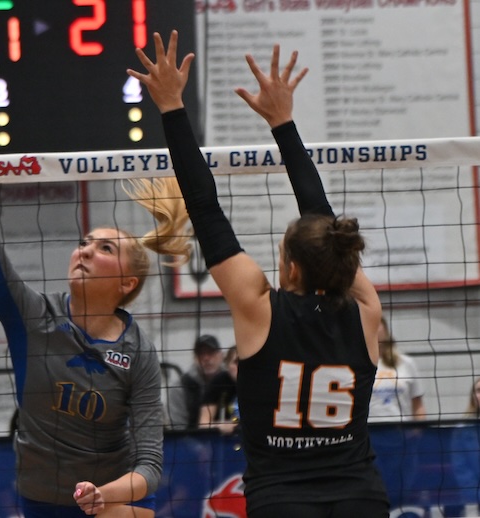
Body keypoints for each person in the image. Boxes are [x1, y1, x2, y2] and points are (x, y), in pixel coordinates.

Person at [129, 33, 389, 517]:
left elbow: (205, 209)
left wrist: (171, 107)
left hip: (283, 500)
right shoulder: (366, 311)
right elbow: (323, 226)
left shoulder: (259, 309)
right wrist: (284, 124)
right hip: (361, 496)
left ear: (289, 266)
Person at [0, 109, 192, 517]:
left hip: (113, 501)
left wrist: (105, 494)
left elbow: (150, 468)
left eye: (104, 248)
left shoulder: (139, 353)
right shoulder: (33, 316)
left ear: (127, 283)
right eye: (85, 242)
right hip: (41, 499)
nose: (84, 250)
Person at [369, 317, 426, 422]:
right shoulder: (358, 365)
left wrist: (417, 430)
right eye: (369, 325)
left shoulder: (405, 363)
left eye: (377, 324)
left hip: (401, 431)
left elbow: (418, 405)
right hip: (369, 431)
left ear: (385, 330)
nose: (374, 329)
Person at [167, 334, 225, 431]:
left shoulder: (232, 382)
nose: (206, 358)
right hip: (190, 443)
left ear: (221, 355)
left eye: (211, 352)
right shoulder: (179, 387)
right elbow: (178, 430)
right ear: (194, 358)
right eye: (201, 354)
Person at [445, 377, 480, 517]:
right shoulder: (462, 430)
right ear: (473, 397)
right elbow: (461, 470)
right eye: (478, 390)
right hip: (473, 499)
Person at [198, 346, 239, 435]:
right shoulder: (219, 382)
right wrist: (220, 426)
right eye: (237, 362)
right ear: (227, 365)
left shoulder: (259, 384)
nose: (241, 367)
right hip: (223, 441)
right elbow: (203, 423)